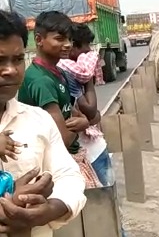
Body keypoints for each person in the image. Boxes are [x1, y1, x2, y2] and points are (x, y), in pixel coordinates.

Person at [0, 10, 86, 235]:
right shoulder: (40, 81)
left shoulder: (38, 120)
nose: (10, 70)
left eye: (18, 59)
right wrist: (10, 202)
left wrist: (48, 211)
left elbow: (69, 177)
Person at [17, 11, 99, 188]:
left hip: (69, 156)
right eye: (60, 39)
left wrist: (83, 120)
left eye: (69, 39)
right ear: (39, 40)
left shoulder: (59, 72)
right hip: (57, 165)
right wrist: (83, 124)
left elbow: (73, 110)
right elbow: (63, 138)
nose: (68, 45)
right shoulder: (41, 81)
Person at [58, 23, 112, 186]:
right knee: (103, 199)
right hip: (87, 152)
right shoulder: (69, 73)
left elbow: (93, 116)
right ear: (73, 46)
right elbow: (91, 111)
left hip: (93, 148)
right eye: (85, 45)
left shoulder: (70, 70)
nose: (88, 50)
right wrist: (88, 79)